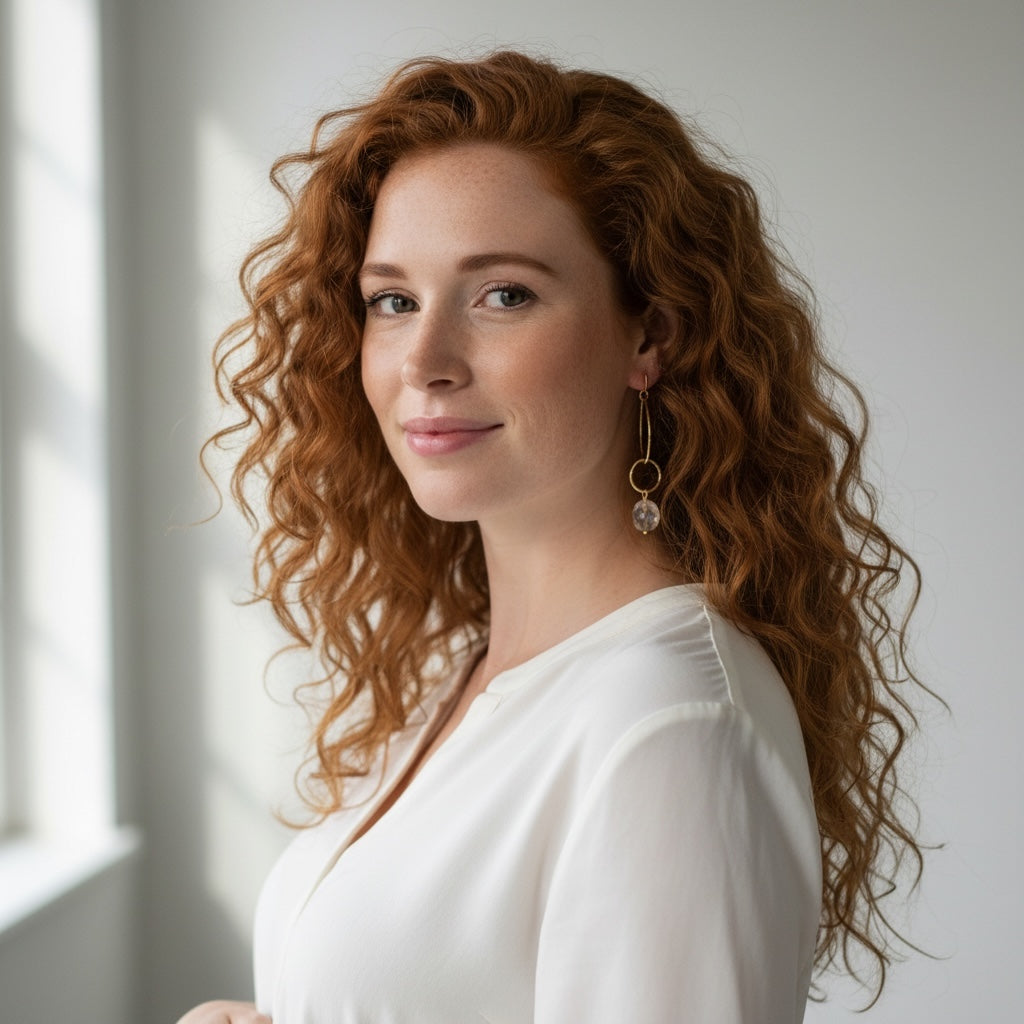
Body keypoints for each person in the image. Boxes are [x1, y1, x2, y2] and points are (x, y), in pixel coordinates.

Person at [179, 50, 932, 1024]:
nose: (425, 361)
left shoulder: (664, 723)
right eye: (392, 300)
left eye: (503, 295)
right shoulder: (475, 670)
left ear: (649, 334)